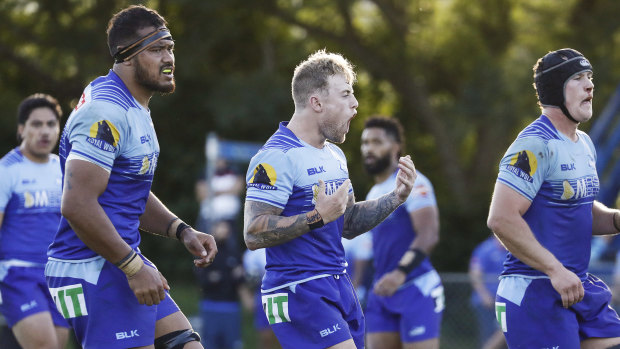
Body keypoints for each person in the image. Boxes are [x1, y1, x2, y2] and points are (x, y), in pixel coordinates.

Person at [44, 5, 217, 348]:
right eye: (156, 50)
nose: (168, 58)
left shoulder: (135, 106)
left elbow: (128, 190)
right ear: (125, 57)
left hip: (119, 262)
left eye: (170, 48)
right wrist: (135, 268)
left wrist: (180, 230)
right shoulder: (106, 111)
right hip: (92, 269)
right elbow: (77, 204)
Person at [243, 50, 417, 349]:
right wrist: (315, 217)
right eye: (346, 94)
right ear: (317, 102)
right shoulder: (276, 156)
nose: (355, 104)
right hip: (298, 289)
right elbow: (253, 233)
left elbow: (346, 222)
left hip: (338, 283)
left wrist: (395, 198)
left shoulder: (334, 155)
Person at [487, 48, 620, 348]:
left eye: (590, 77)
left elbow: (578, 207)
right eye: (578, 77)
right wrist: (555, 270)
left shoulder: (583, 143)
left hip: (577, 287)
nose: (590, 85)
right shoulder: (533, 145)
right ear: (555, 89)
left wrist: (614, 219)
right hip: (535, 293)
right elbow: (501, 218)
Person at [360, 116, 444, 349]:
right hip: (382, 291)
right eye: (365, 143)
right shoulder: (373, 192)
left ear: (396, 147)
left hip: (415, 288)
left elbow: (428, 235)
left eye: (377, 142)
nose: (368, 148)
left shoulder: (414, 183)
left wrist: (400, 273)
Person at [0, 94, 70, 349]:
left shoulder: (66, 170)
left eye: (51, 124)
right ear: (21, 130)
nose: (45, 131)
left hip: (60, 275)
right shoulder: (6, 170)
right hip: (18, 274)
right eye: (36, 124)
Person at [193, 220, 251, 349]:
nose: (223, 231)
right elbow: (203, 280)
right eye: (220, 226)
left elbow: (240, 280)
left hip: (231, 306)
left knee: (232, 344)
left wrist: (220, 277)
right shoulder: (204, 253)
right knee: (210, 344)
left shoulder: (234, 254)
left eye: (226, 228)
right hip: (210, 306)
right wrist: (228, 276)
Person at [468, 235, 507, 349]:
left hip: (505, 301)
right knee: (489, 334)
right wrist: (484, 295)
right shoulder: (485, 249)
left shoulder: (512, 250)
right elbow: (475, 274)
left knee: (506, 331)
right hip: (487, 303)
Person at [242, 247, 281, 349]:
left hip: (283, 289)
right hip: (263, 291)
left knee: (283, 333)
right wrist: (248, 296)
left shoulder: (283, 244)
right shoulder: (252, 252)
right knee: (265, 336)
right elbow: (249, 278)